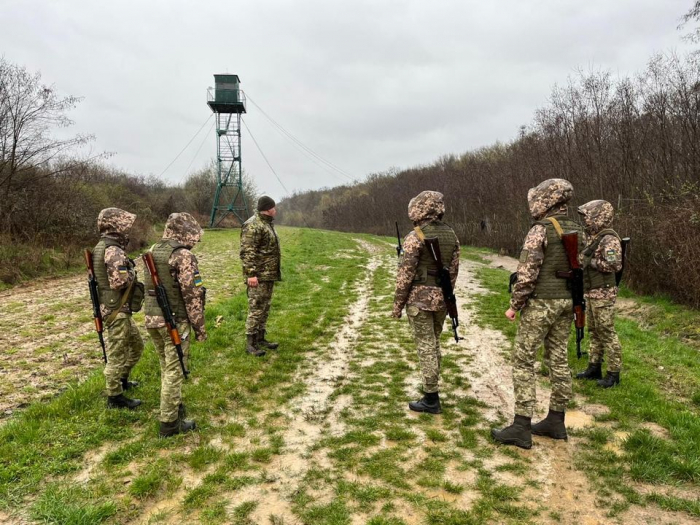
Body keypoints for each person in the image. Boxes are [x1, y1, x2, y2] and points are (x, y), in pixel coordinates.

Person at [491, 179, 583, 448]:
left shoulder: (540, 230)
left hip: (541, 303)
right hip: (568, 302)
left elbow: (527, 274)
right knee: (558, 359)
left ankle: (521, 425)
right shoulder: (580, 229)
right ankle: (556, 419)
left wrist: (514, 305)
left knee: (523, 360)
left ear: (545, 200)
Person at [391, 191, 460, 414]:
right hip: (441, 298)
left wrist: (397, 305)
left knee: (425, 345)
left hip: (419, 300)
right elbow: (454, 271)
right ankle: (433, 387)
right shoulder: (451, 235)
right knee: (435, 341)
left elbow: (405, 275)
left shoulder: (416, 236)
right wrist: (446, 294)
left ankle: (431, 396)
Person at [144, 212, 207, 437]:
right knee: (175, 369)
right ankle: (169, 423)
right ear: (185, 232)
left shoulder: (153, 249)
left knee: (166, 366)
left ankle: (174, 406)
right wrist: (200, 328)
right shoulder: (183, 256)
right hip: (174, 320)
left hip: (152, 319)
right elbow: (192, 296)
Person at [92, 208, 145, 410]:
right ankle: (114, 397)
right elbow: (119, 281)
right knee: (116, 355)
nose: (127, 228)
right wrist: (131, 270)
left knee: (137, 346)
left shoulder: (104, 246)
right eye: (124, 224)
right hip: (116, 309)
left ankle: (122, 380)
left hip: (117, 308)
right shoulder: (112, 249)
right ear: (115, 226)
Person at [575, 200, 623, 388]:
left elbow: (614, 265)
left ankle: (613, 373)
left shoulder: (608, 239)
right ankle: (594, 367)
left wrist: (590, 262)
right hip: (592, 291)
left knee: (607, 332)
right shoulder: (593, 237)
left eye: (588, 216)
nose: (586, 220)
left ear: (599, 217)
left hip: (603, 293)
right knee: (594, 331)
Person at [240, 196, 281, 357]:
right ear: (268, 208)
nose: (275, 210)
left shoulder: (266, 223)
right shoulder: (253, 225)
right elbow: (248, 252)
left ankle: (260, 338)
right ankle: (250, 343)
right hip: (258, 276)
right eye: (273, 207)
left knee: (265, 307)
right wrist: (251, 274)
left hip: (268, 274)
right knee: (256, 308)